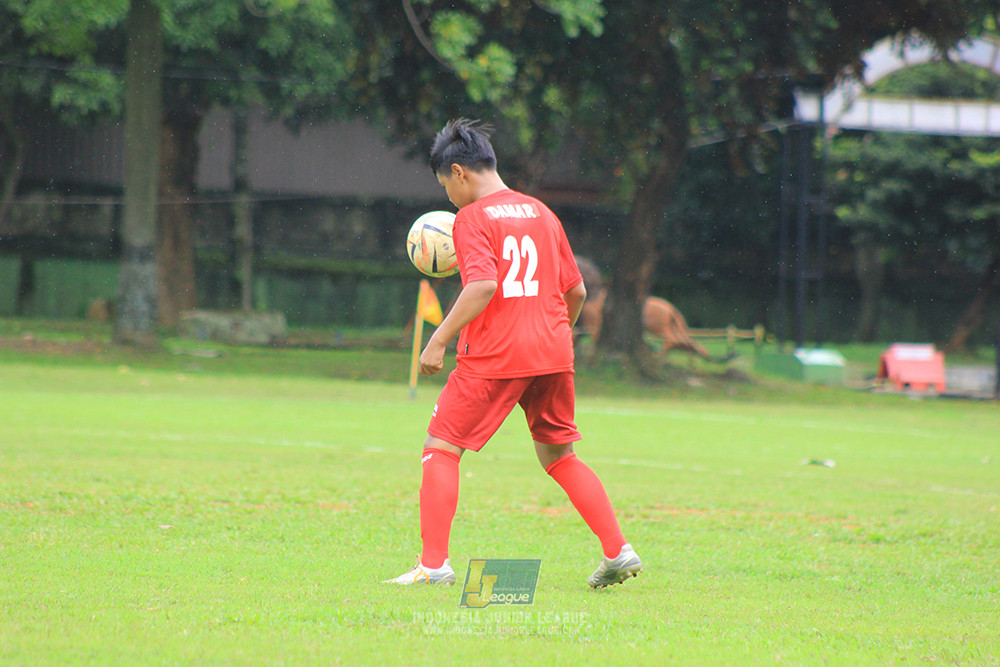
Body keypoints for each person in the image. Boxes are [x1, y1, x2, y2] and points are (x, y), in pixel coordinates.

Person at [385, 119, 641, 589]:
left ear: (459, 172)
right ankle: (618, 551)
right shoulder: (542, 213)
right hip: (553, 352)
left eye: (445, 186)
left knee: (440, 448)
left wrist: (438, 339)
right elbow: (577, 290)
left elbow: (482, 284)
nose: (448, 198)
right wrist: (553, 331)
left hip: (496, 355)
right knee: (561, 456)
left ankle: (434, 566)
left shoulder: (473, 218)